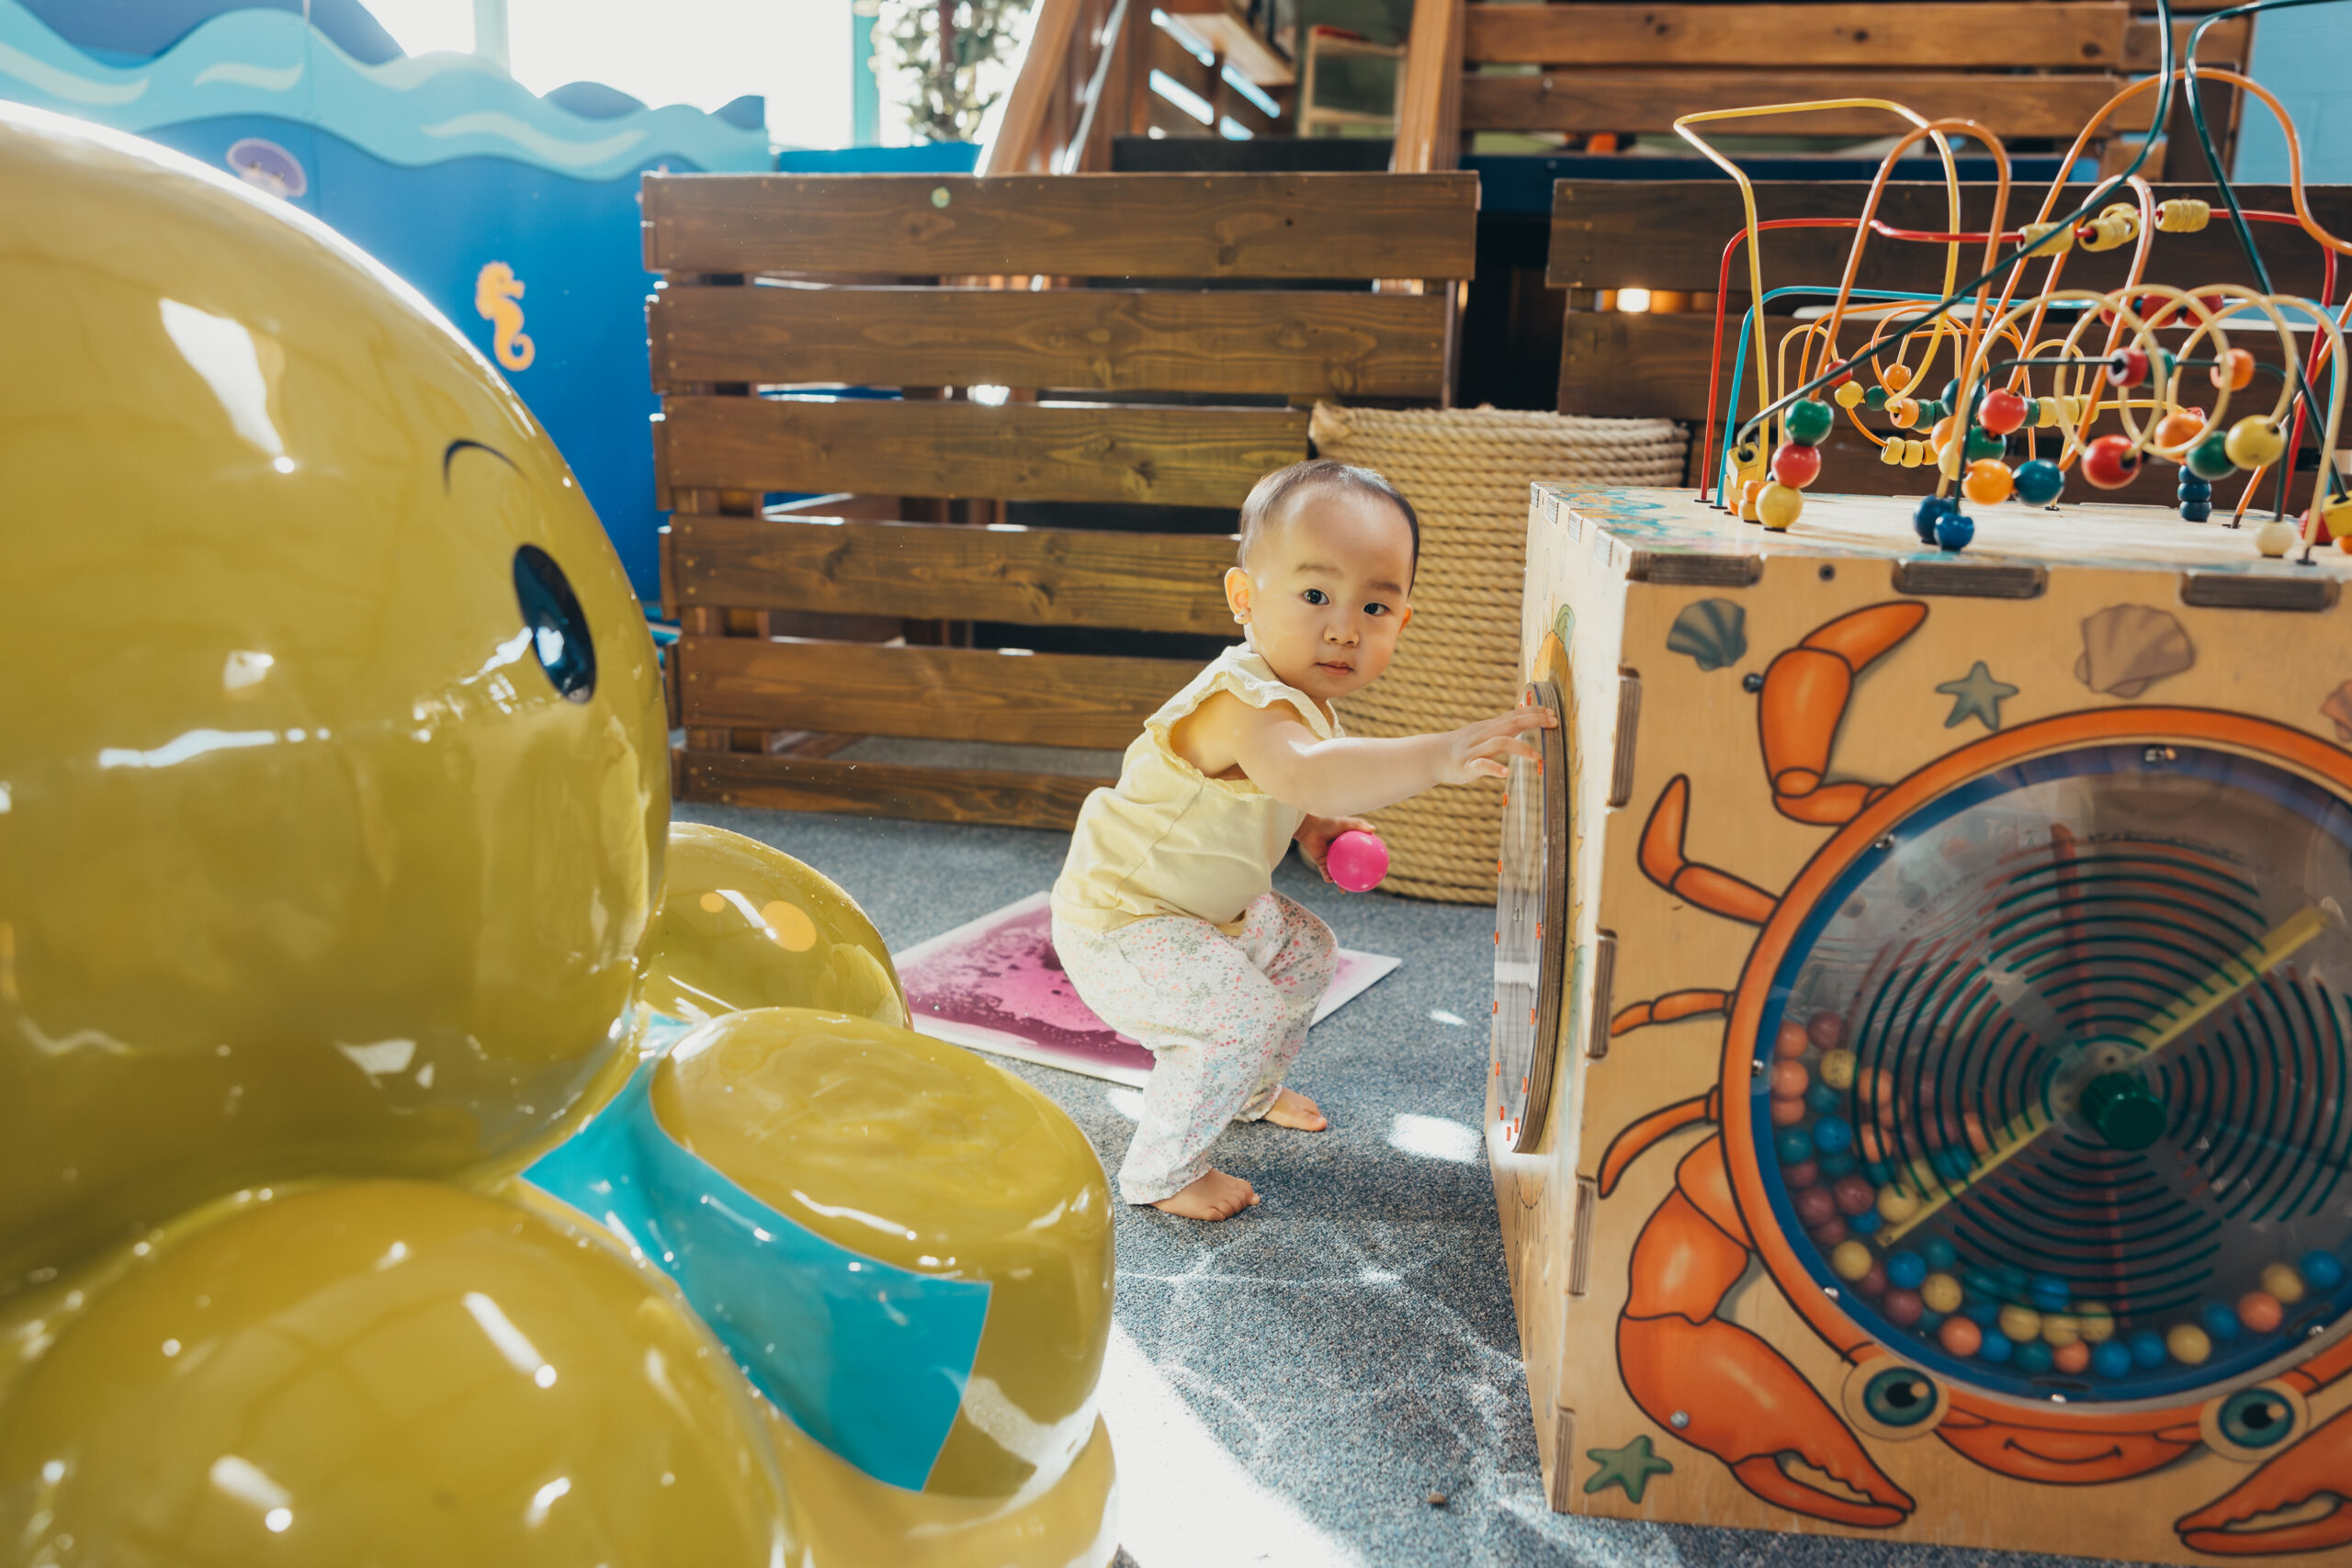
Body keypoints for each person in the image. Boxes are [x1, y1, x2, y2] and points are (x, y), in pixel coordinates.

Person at [1048, 459, 1557, 1220]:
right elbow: (1306, 771)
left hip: (1202, 916)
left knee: (1306, 949)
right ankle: (1161, 1171)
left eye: (1375, 606)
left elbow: (1295, 789)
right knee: (1236, 1018)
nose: (1344, 626)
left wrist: (1319, 831)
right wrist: (1441, 753)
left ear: (1403, 621)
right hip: (1123, 922)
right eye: (1316, 594)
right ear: (1244, 597)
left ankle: (1244, 1088)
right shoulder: (1243, 699)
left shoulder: (1307, 703)